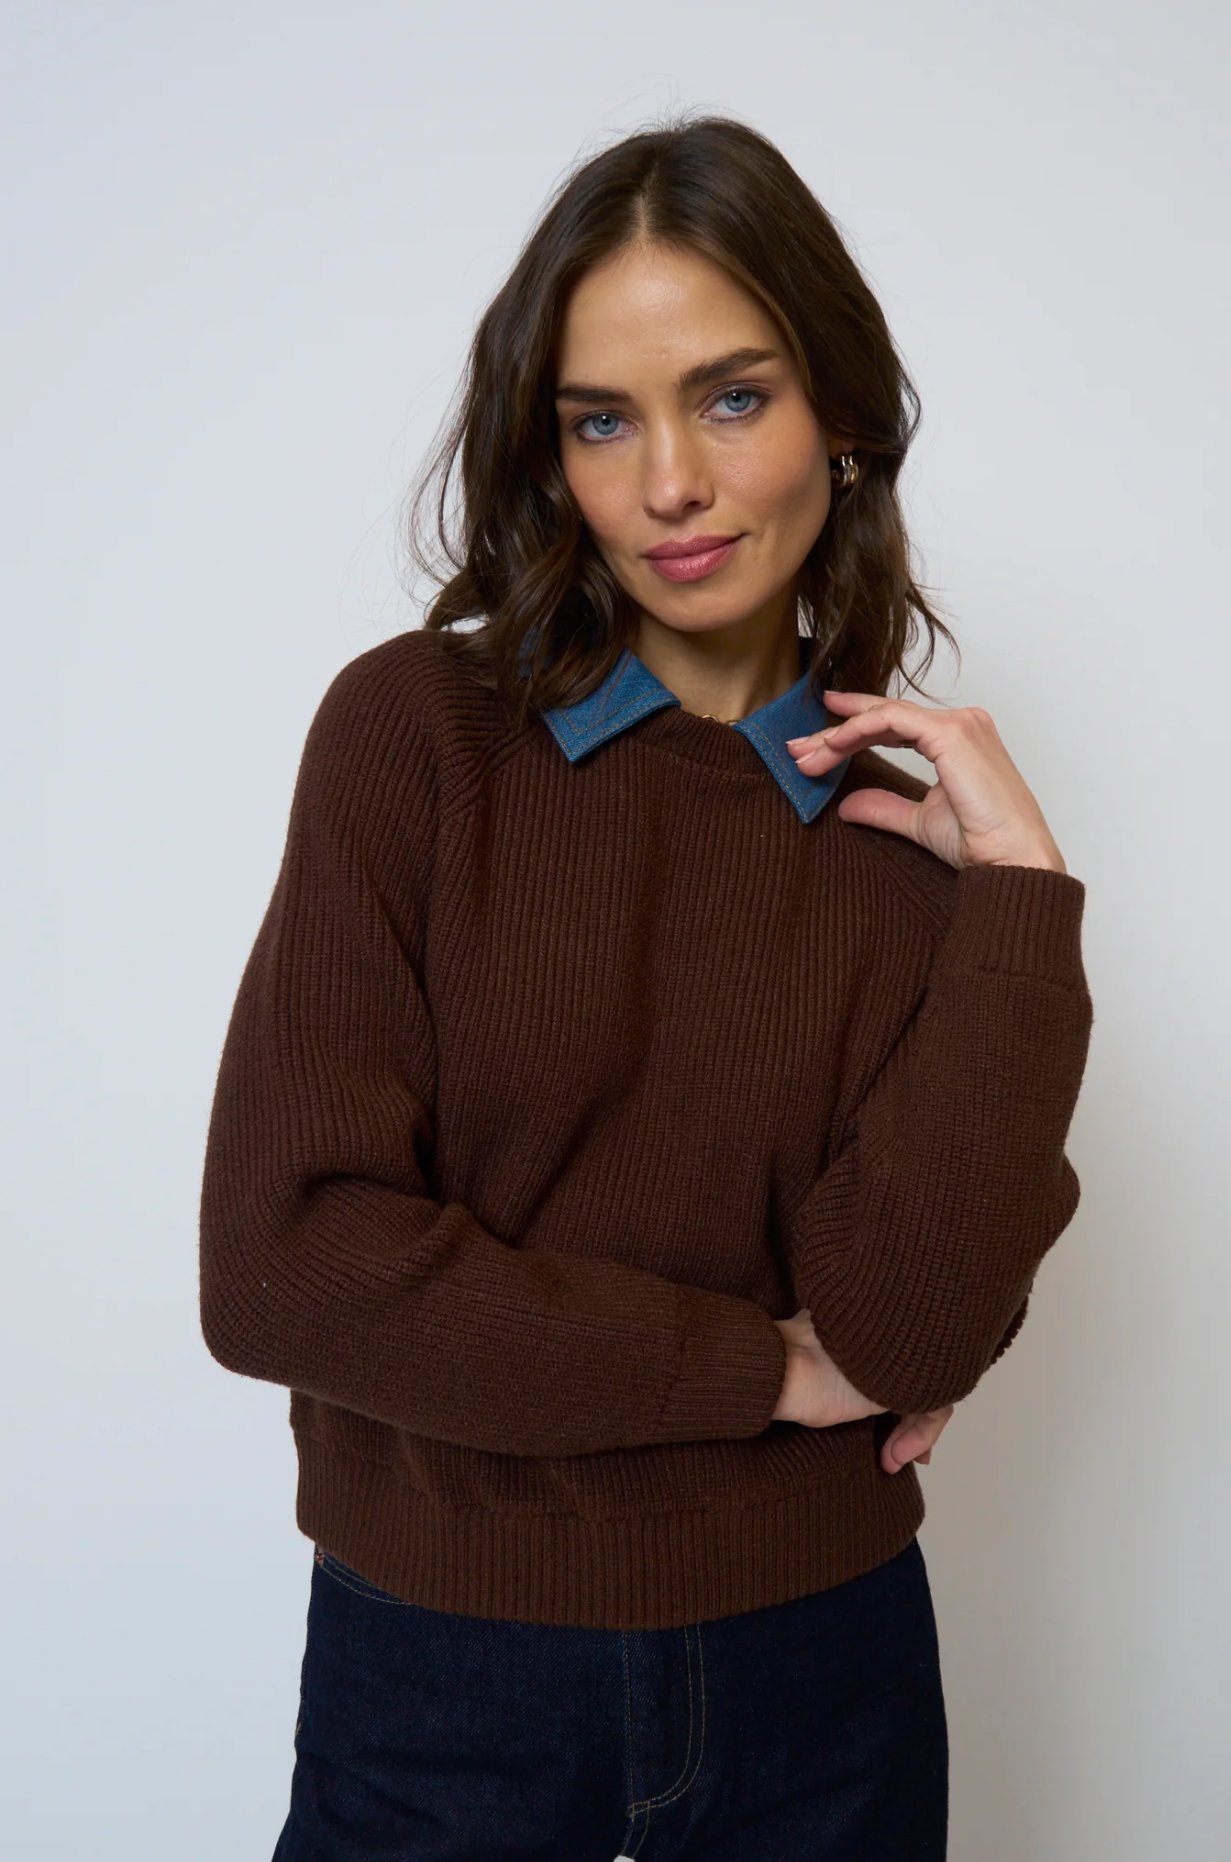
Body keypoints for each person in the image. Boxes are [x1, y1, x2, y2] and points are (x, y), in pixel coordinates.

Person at [199, 110, 1093, 1861]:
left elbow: (911, 1338)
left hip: (826, 1679)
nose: (668, 482)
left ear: (843, 418)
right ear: (550, 458)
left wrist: (1021, 899)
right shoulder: (416, 735)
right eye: (601, 419)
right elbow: (286, 1263)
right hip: (444, 1675)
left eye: (732, 397)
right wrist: (756, 1367)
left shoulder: (912, 844)